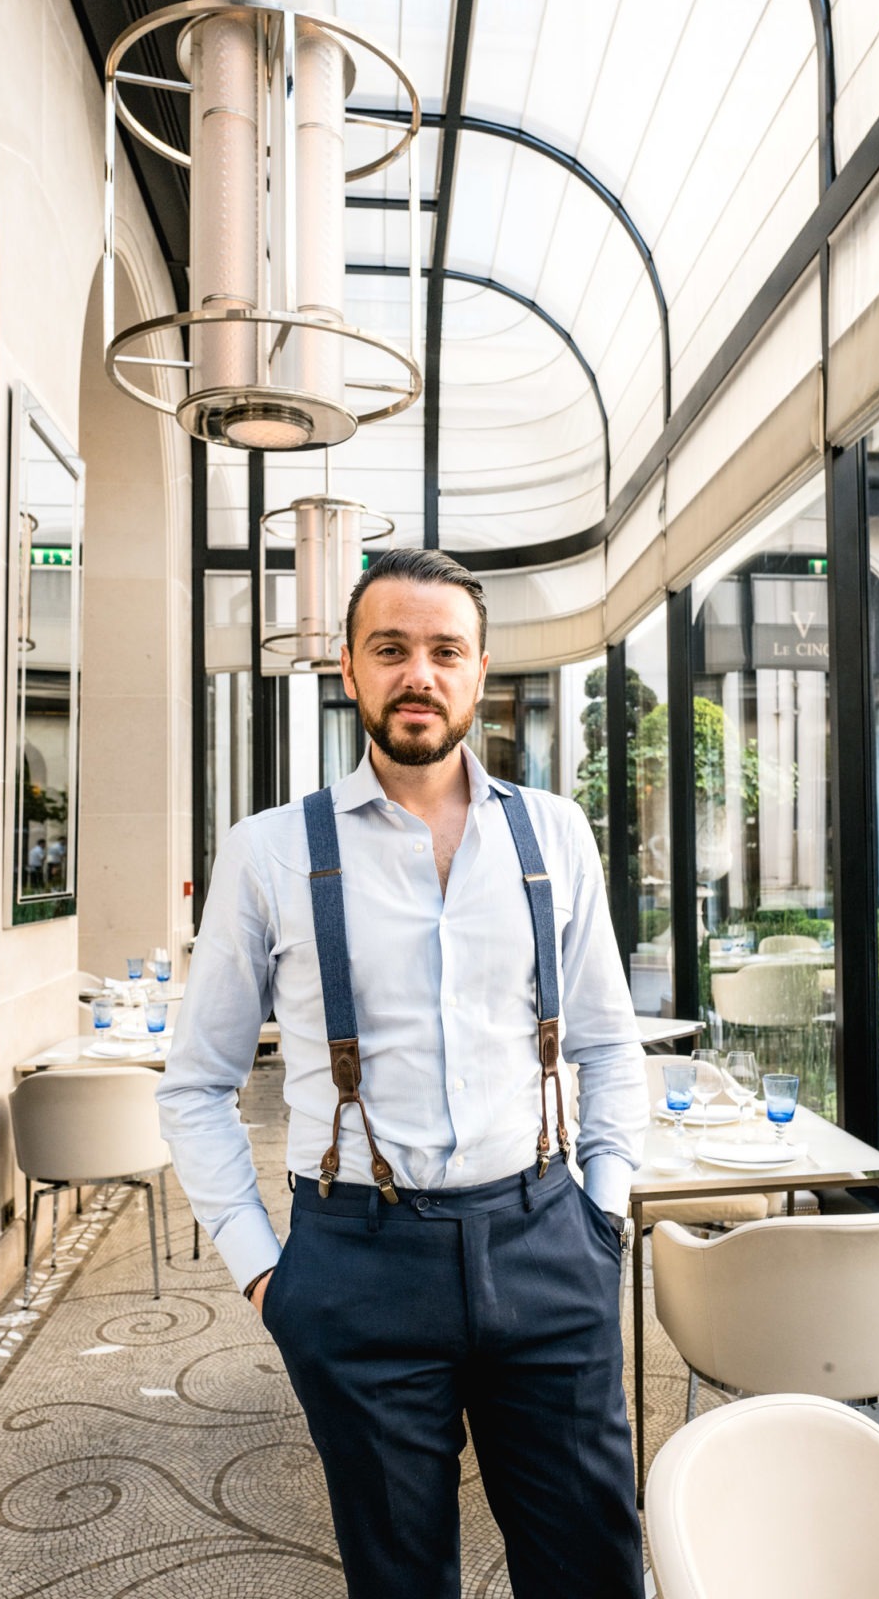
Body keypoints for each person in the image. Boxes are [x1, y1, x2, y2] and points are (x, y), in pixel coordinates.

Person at [157, 549, 649, 1598]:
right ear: (348, 668)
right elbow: (195, 1082)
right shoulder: (268, 852)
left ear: (478, 673)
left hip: (545, 1238)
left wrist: (601, 1217)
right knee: (400, 1577)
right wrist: (265, 1272)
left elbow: (607, 1043)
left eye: (443, 651)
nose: (416, 673)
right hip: (354, 1262)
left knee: (591, 1563)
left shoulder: (552, 834)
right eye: (390, 649)